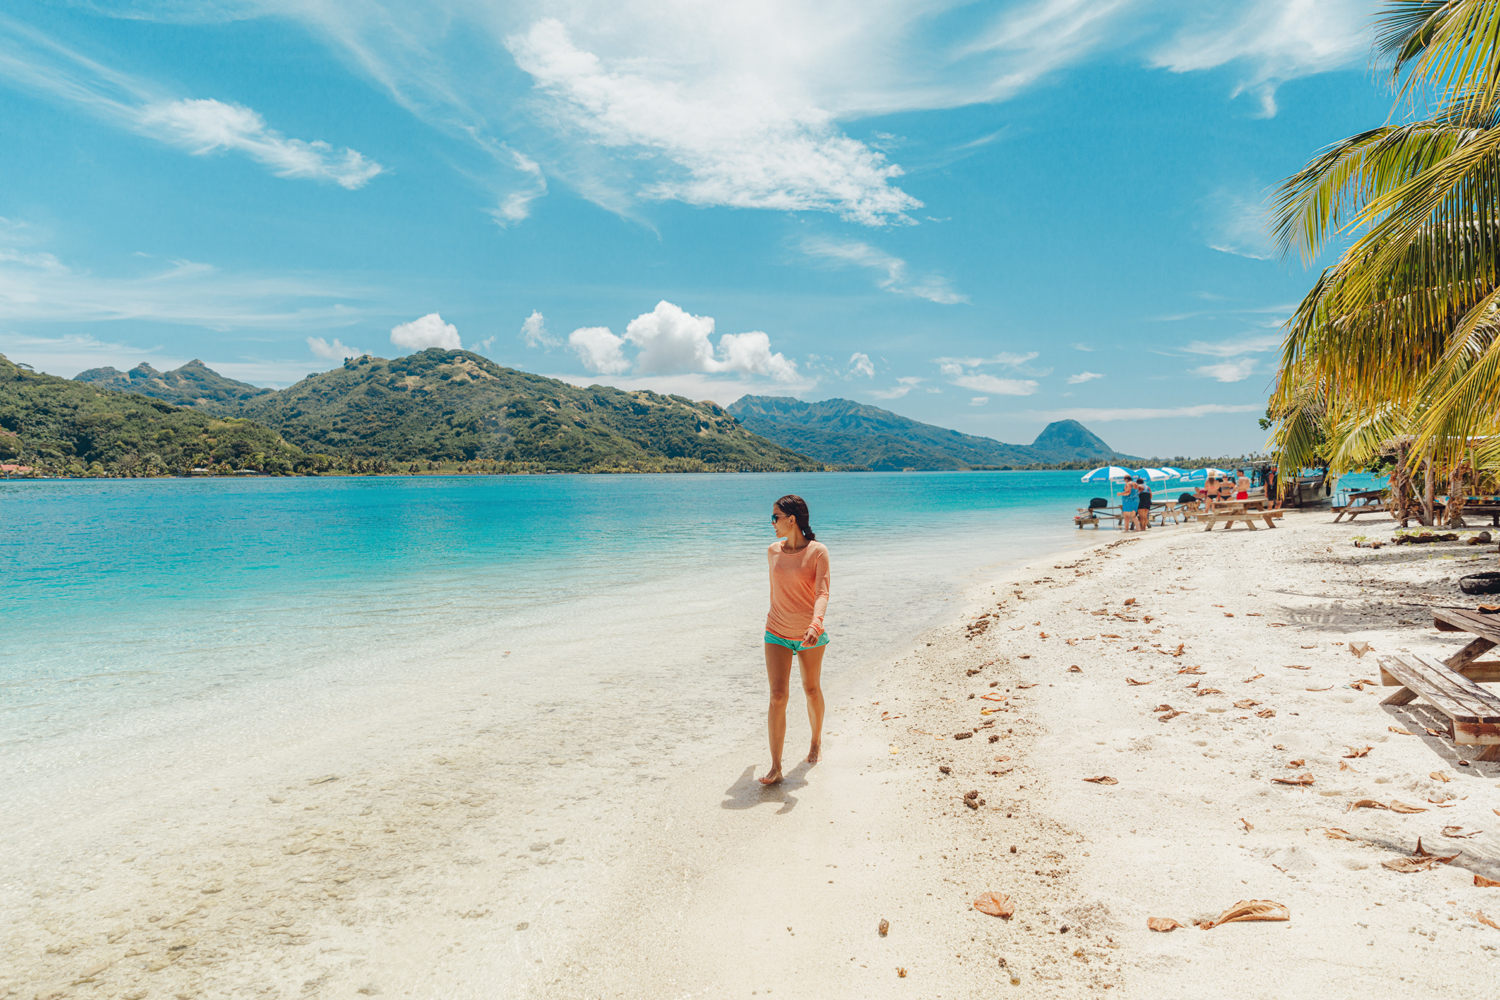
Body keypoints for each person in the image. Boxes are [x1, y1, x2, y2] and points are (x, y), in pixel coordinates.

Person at [760, 494, 831, 786]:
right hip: (775, 631)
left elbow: (822, 593)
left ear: (792, 519)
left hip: (808, 633)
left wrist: (816, 623)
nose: (772, 523)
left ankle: (815, 743)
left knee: (811, 689)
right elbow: (777, 591)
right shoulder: (772, 551)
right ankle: (776, 767)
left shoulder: (818, 552)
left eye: (775, 517)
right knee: (778, 697)